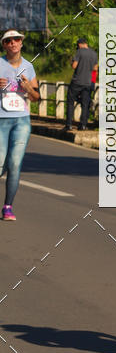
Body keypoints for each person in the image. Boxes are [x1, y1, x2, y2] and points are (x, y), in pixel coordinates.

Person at [0, 30, 40, 221]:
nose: (13, 43)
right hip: (1, 120)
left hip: (21, 120)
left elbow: (36, 97)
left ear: (21, 43)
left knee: (15, 164)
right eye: (8, 41)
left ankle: (8, 207)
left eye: (16, 39)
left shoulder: (28, 67)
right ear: (4, 45)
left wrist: (28, 88)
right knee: (0, 163)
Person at [65, 37, 98, 132]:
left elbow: (74, 65)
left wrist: (72, 62)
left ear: (79, 44)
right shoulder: (94, 54)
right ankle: (83, 125)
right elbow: (95, 68)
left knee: (70, 102)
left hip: (77, 81)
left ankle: (69, 125)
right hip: (88, 82)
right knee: (85, 104)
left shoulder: (79, 52)